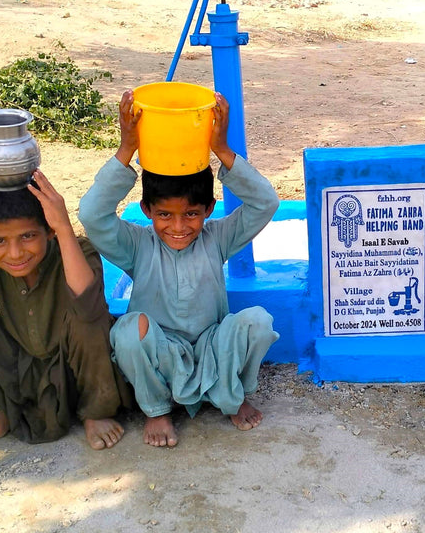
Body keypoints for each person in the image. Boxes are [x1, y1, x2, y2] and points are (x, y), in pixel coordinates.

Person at [78, 90, 280, 448]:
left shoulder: (218, 237)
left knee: (258, 321)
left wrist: (221, 149)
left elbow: (265, 202)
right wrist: (127, 149)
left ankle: (232, 396)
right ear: (146, 210)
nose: (178, 227)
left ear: (208, 209)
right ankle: (157, 409)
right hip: (162, 357)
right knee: (128, 330)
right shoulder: (137, 244)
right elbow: (92, 215)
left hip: (213, 350)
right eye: (164, 215)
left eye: (191, 214)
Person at [0, 168, 130, 450]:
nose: (15, 253)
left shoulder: (75, 251)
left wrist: (63, 229)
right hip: (22, 368)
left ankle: (95, 411)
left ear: (48, 230)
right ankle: (10, 408)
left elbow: (88, 309)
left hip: (77, 368)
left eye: (27, 236)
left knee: (87, 317)